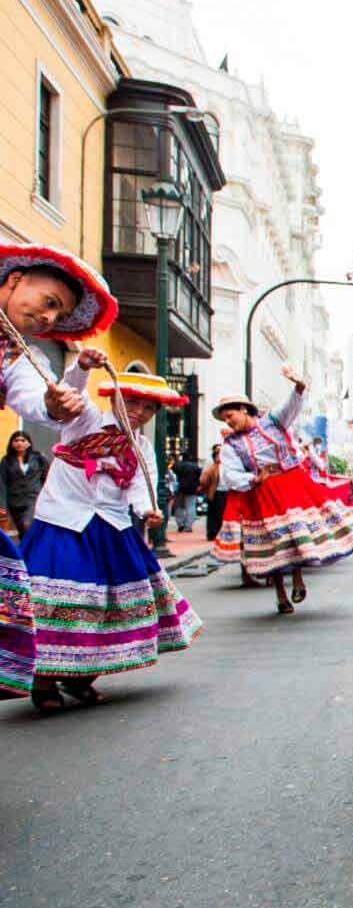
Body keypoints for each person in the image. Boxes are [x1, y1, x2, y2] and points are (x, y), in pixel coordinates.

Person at [25, 362, 202, 710]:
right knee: (58, 604)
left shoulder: (141, 446)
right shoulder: (86, 419)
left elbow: (140, 486)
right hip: (64, 522)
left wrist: (146, 510)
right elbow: (69, 395)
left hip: (111, 527)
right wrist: (81, 366)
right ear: (116, 397)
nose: (140, 412)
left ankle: (81, 677)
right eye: (133, 402)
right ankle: (43, 683)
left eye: (149, 407)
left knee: (113, 607)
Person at [0, 242, 117, 704]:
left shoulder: (17, 354)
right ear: (14, 281)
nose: (49, 318)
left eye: (59, 313)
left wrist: (53, 401)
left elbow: (37, 399)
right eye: (48, 302)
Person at [210, 366, 353, 614]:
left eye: (231, 416)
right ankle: (280, 594)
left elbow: (292, 405)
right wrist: (254, 478)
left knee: (295, 533)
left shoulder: (272, 422)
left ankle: (298, 578)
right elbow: (231, 474)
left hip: (291, 484)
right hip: (263, 492)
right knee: (275, 542)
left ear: (243, 410)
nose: (229, 421)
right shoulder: (232, 444)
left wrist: (298, 385)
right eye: (225, 419)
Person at [0, 431, 49, 538]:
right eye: (16, 440)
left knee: (27, 524)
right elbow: (2, 483)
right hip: (14, 502)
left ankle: (32, 550)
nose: (19, 443)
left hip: (33, 498)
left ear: (29, 443)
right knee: (21, 530)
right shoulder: (6, 460)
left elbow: (47, 477)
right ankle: (26, 552)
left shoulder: (38, 458)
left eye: (23, 440)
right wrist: (2, 505)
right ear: (12, 443)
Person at [172, 450, 202, 534]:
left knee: (179, 507)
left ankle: (180, 524)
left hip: (180, 488)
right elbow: (200, 477)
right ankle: (188, 525)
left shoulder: (177, 465)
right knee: (191, 506)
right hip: (192, 488)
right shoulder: (195, 466)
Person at [199, 443, 225, 539]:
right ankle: (213, 533)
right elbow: (203, 480)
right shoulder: (212, 467)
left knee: (221, 514)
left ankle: (220, 533)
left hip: (225, 492)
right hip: (216, 493)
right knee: (215, 514)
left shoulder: (225, 466)